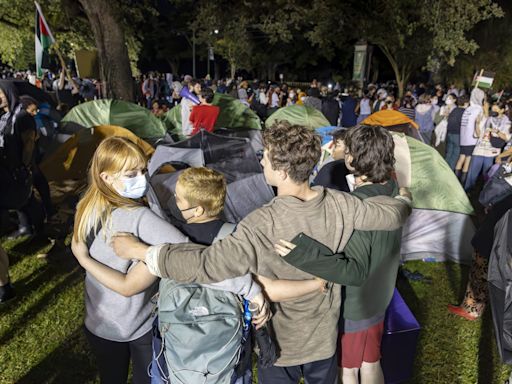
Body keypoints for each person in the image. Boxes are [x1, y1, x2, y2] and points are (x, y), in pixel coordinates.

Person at [111, 121, 412, 384]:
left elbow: (207, 265)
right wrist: (404, 197)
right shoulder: (341, 203)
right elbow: (391, 216)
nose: (262, 162)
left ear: (281, 170)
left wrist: (146, 252)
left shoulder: (261, 222)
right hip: (324, 341)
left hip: (282, 347)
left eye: (265, 157)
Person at [275, 125, 401, 384]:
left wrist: (304, 254)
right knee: (370, 361)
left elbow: (353, 271)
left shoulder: (358, 207)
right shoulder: (392, 186)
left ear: (352, 159)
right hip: (380, 295)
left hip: (356, 305)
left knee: (347, 370)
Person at [71, 137, 190, 384]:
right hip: (139, 325)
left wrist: (83, 259)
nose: (142, 179)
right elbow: (187, 253)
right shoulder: (139, 216)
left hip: (99, 322)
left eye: (143, 170)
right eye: (131, 173)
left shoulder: (85, 205)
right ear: (106, 177)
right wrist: (144, 252)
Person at [464, 101, 511, 191]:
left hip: (492, 152)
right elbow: (478, 134)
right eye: (492, 109)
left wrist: (496, 131)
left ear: (502, 110)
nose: (493, 111)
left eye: (496, 109)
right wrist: (477, 124)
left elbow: (506, 138)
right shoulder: (487, 118)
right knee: (471, 175)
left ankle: (484, 197)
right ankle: (467, 192)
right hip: (479, 149)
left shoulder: (507, 123)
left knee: (487, 177)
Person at [455, 88, 485, 185]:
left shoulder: (468, 108)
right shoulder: (478, 109)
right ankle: (461, 184)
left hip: (464, 138)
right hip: (472, 139)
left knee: (461, 159)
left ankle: (454, 181)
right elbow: (480, 124)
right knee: (467, 161)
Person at [445, 95, 468, 170]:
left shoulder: (454, 110)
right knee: (455, 155)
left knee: (449, 153)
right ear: (466, 103)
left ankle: (444, 168)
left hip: (450, 134)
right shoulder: (464, 112)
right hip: (457, 135)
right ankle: (449, 172)